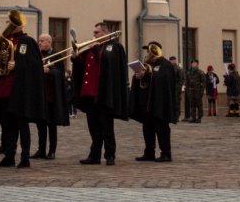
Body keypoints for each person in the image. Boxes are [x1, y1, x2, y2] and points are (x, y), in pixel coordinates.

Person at [0, 11, 46, 168]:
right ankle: (9, 156)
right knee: (7, 125)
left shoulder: (27, 41)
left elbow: (35, 65)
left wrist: (18, 65)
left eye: (11, 23)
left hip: (19, 91)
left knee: (22, 124)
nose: (9, 25)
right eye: (8, 23)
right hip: (4, 89)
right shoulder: (4, 41)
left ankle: (25, 157)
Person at [71, 21, 128, 165]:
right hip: (90, 93)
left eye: (97, 32)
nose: (94, 35)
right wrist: (76, 58)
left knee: (106, 126)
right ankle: (94, 155)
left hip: (103, 93)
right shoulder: (92, 48)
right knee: (94, 127)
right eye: (94, 32)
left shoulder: (114, 47)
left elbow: (109, 62)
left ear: (106, 32)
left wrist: (96, 49)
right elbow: (84, 66)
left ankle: (110, 155)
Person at [131, 42, 178, 161]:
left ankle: (166, 153)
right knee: (147, 128)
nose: (148, 53)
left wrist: (146, 74)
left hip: (159, 103)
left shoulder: (165, 65)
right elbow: (144, 80)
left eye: (150, 51)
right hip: (147, 103)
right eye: (147, 51)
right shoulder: (147, 65)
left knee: (162, 128)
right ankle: (149, 152)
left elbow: (163, 79)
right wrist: (137, 76)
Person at [33, 33, 68, 159]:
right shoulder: (37, 54)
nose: (40, 43)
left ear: (49, 42)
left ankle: (52, 150)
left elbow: (60, 73)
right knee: (40, 124)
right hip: (40, 95)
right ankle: (41, 150)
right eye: (39, 40)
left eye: (42, 41)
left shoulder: (56, 55)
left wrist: (50, 71)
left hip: (51, 96)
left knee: (51, 125)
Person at [183, 59, 205, 123]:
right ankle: (193, 117)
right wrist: (187, 90)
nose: (193, 64)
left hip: (198, 91)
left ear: (197, 64)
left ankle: (199, 118)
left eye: (195, 63)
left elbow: (203, 83)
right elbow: (187, 82)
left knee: (199, 105)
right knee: (192, 105)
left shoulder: (200, 72)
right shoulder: (189, 72)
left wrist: (201, 92)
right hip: (191, 91)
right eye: (192, 63)